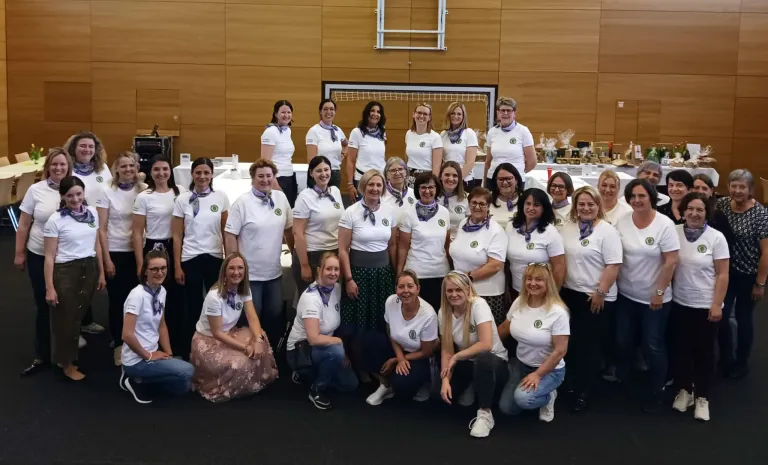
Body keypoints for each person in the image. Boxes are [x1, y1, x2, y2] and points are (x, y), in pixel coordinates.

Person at [615, 179, 680, 412]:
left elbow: (672, 260)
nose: (637, 200)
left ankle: (657, 387)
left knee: (653, 344)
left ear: (651, 197)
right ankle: (628, 381)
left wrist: (659, 292)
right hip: (625, 294)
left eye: (641, 196)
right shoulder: (622, 222)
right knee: (623, 340)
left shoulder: (664, 224)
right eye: (632, 196)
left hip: (655, 298)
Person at [559, 186, 622, 411]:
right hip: (570, 293)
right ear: (575, 206)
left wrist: (601, 292)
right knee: (573, 343)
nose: (586, 208)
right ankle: (571, 383)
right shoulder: (567, 228)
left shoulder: (607, 231)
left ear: (598, 206)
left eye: (590, 204)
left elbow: (613, 264)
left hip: (595, 296)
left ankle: (584, 391)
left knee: (590, 347)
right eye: (581, 204)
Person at [671, 193, 729, 422]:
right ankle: (685, 390)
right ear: (683, 211)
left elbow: (723, 274)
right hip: (679, 302)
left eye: (700, 210)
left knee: (704, 353)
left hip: (705, 305)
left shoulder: (717, 238)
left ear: (707, 213)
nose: (694, 214)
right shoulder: (674, 233)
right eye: (690, 209)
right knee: (681, 350)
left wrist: (716, 304)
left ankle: (703, 396)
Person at [190, 253, 278, 403]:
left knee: (262, 338)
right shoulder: (214, 297)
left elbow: (252, 316)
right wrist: (245, 347)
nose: (236, 272)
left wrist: (257, 340)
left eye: (240, 268)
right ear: (224, 271)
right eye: (231, 268)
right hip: (209, 341)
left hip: (231, 333)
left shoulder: (243, 289)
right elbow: (217, 333)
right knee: (240, 363)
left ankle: (252, 382)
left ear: (245, 271)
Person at [224, 159, 294, 347]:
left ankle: (270, 356)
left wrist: (295, 255)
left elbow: (289, 230)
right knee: (251, 317)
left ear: (274, 177)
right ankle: (250, 356)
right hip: (249, 275)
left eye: (269, 176)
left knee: (275, 314)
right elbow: (230, 235)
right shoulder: (242, 203)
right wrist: (234, 267)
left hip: (273, 272)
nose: (265, 180)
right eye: (260, 176)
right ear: (253, 178)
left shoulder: (281, 198)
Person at [43, 176, 106, 381]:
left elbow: (96, 246)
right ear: (62, 196)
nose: (75, 199)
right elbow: (50, 257)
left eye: (79, 194)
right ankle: (67, 364)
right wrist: (50, 287)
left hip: (88, 268)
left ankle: (65, 357)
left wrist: (101, 272)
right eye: (70, 195)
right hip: (65, 271)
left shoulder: (92, 214)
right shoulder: (56, 220)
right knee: (65, 319)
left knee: (77, 316)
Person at [16, 148, 72, 376]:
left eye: (63, 165)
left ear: (69, 167)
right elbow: (24, 224)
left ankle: (65, 355)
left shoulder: (74, 188)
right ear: (48, 166)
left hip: (66, 258)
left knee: (66, 307)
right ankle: (41, 354)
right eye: (54, 164)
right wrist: (19, 253)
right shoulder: (35, 190)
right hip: (39, 253)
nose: (58, 168)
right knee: (43, 304)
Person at [338, 170, 397, 375]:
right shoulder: (351, 212)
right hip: (359, 274)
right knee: (359, 322)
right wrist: (348, 279)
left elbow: (392, 245)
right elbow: (343, 250)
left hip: (382, 274)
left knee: (381, 321)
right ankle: (359, 366)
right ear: (363, 186)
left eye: (379, 185)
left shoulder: (389, 211)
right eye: (371, 185)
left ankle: (378, 365)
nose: (375, 189)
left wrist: (395, 273)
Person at [438, 271, 509, 438]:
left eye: (458, 290)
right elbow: (447, 349)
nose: (454, 294)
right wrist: (445, 380)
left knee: (483, 358)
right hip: (468, 362)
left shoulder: (479, 305)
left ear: (468, 290)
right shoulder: (443, 312)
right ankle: (473, 384)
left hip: (494, 362)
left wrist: (456, 357)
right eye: (449, 291)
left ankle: (485, 414)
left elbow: (486, 344)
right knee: (440, 397)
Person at [119, 250, 195, 403]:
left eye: (163, 268)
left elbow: (161, 325)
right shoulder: (137, 295)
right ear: (145, 271)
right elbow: (126, 335)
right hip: (137, 360)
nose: (160, 272)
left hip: (153, 354)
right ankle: (133, 379)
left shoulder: (162, 292)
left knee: (184, 386)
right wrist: (149, 355)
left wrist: (168, 353)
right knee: (188, 370)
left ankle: (142, 381)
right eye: (154, 269)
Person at [172, 157, 230, 358]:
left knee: (215, 305)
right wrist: (178, 265)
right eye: (198, 172)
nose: (202, 176)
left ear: (212, 174)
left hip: (214, 257)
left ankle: (214, 347)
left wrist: (228, 260)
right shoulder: (182, 200)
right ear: (192, 174)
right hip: (190, 258)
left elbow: (225, 231)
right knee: (193, 306)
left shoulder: (220, 197)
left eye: (206, 172)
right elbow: (177, 234)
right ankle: (189, 349)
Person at [498, 263, 569, 422]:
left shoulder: (558, 312)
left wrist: (538, 374)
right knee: (507, 408)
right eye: (529, 279)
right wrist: (485, 343)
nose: (533, 283)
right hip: (522, 365)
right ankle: (533, 390)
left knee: (524, 399)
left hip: (549, 371)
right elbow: (505, 327)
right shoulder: (519, 302)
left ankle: (548, 396)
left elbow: (560, 351)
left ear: (548, 283)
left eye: (539, 279)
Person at [287, 252, 358, 410]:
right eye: (329, 269)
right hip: (301, 349)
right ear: (319, 270)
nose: (333, 273)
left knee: (350, 385)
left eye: (336, 269)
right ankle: (316, 388)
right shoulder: (311, 298)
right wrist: (339, 345)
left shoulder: (337, 289)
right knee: (336, 353)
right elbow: (313, 339)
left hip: (324, 346)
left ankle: (312, 375)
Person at [716, 169, 768, 379]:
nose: (737, 190)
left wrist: (760, 283)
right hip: (726, 272)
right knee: (721, 314)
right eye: (734, 186)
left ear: (750, 190)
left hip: (749, 274)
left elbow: (766, 252)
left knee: (743, 318)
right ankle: (725, 357)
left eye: (742, 187)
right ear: (728, 187)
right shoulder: (722, 206)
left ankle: (741, 361)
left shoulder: (760, 214)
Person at [132, 155, 186, 353]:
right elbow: (137, 233)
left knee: (176, 298)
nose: (161, 173)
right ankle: (152, 344)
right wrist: (140, 263)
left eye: (165, 169)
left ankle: (176, 344)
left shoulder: (181, 192)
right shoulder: (144, 197)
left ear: (170, 170)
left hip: (177, 247)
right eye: (156, 169)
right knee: (153, 299)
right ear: (151, 172)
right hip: (153, 248)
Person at [96, 151, 145, 366]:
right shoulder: (106, 191)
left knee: (138, 299)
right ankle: (118, 343)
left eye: (131, 166)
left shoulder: (143, 190)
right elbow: (102, 228)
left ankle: (137, 340)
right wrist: (106, 260)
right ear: (116, 169)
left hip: (139, 251)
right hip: (115, 251)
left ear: (136, 169)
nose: (128, 170)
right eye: (123, 166)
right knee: (118, 300)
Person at [364, 271, 440, 406]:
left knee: (402, 385)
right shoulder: (391, 301)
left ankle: (420, 382)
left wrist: (398, 360)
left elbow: (427, 352)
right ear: (396, 289)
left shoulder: (429, 315)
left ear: (418, 289)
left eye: (410, 286)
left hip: (419, 355)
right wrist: (399, 357)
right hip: (398, 347)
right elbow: (390, 331)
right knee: (368, 341)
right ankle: (385, 385)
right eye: (401, 287)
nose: (405, 291)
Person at [66, 132, 110, 337]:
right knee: (75, 278)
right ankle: (74, 327)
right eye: (82, 146)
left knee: (90, 274)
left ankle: (87, 319)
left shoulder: (102, 169)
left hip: (99, 227)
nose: (87, 150)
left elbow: (111, 190)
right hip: (75, 228)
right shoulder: (68, 169)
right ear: (74, 148)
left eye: (91, 147)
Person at [449, 187, 509, 325]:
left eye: (482, 204)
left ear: (488, 207)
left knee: (485, 338)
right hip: (462, 292)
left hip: (486, 294)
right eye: (474, 203)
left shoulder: (496, 231)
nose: (477, 207)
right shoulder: (464, 224)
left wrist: (466, 278)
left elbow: (495, 266)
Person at [396, 173, 451, 310]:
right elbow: (403, 247)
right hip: (416, 274)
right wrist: (399, 273)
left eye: (431, 187)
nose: (427, 191)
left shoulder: (444, 212)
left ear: (437, 189)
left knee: (439, 313)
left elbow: (447, 244)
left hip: (440, 273)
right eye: (423, 187)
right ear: (417, 190)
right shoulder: (409, 213)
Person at [292, 156, 344, 297]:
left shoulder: (335, 192)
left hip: (333, 253)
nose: (323, 174)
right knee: (309, 300)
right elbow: (297, 232)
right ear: (311, 173)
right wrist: (304, 265)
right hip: (311, 255)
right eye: (318, 170)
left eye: (326, 170)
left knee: (331, 299)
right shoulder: (304, 197)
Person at [506, 188, 566, 303]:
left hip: (541, 294)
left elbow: (559, 267)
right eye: (528, 204)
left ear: (544, 208)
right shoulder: (511, 227)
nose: (531, 208)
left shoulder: (550, 232)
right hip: (516, 290)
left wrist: (552, 295)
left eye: (536, 205)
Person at [483, 96, 535, 191]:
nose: (505, 113)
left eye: (509, 110)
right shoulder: (492, 132)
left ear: (514, 113)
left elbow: (532, 162)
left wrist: (517, 174)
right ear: (498, 113)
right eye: (502, 110)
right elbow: (488, 162)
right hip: (493, 180)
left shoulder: (523, 131)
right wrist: (485, 183)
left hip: (514, 182)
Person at [347, 101, 387, 202]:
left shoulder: (382, 131)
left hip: (380, 180)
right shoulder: (356, 132)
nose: (375, 114)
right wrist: (350, 184)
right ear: (366, 113)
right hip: (363, 180)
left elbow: (380, 157)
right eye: (372, 111)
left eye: (378, 112)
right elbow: (350, 160)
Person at [261, 99, 297, 207]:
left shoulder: (287, 130)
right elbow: (265, 161)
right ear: (276, 114)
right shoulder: (270, 131)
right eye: (283, 112)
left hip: (289, 177)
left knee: (289, 212)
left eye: (289, 112)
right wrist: (274, 182)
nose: (286, 115)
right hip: (278, 178)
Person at [306, 98, 347, 189]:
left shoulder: (338, 130)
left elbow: (346, 144)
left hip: (335, 174)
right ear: (320, 112)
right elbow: (311, 160)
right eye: (325, 109)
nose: (329, 112)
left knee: (333, 202)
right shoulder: (314, 131)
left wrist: (343, 154)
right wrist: (316, 175)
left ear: (335, 112)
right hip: (319, 174)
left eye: (332, 109)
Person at [441, 102, 479, 190]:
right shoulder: (443, 134)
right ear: (448, 115)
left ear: (463, 116)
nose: (456, 116)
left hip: (464, 180)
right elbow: (441, 160)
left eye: (459, 114)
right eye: (453, 113)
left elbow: (470, 163)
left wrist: (456, 180)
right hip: (447, 181)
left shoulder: (469, 133)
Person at [691, 173, 733, 246]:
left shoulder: (719, 216)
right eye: (696, 187)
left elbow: (728, 243)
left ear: (711, 191)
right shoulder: (684, 212)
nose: (700, 191)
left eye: (704, 188)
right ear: (690, 190)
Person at [405, 103, 443, 182]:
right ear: (413, 114)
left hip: (426, 178)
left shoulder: (435, 137)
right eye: (419, 113)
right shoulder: (409, 133)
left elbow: (437, 166)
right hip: (409, 176)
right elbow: (408, 157)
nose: (421, 116)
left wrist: (432, 183)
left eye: (425, 114)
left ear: (429, 118)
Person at [437, 161, 469, 240]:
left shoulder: (467, 198)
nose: (451, 179)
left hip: (457, 241)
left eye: (455, 176)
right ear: (441, 176)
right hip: (435, 242)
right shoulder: (432, 197)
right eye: (447, 175)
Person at [381, 157, 416, 225]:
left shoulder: (414, 194)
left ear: (405, 172)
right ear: (387, 175)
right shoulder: (381, 195)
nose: (397, 173)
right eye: (393, 170)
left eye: (400, 169)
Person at [488, 163, 523, 231]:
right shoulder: (487, 198)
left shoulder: (526, 199)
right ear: (496, 181)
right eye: (501, 179)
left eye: (508, 179)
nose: (505, 183)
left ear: (516, 180)